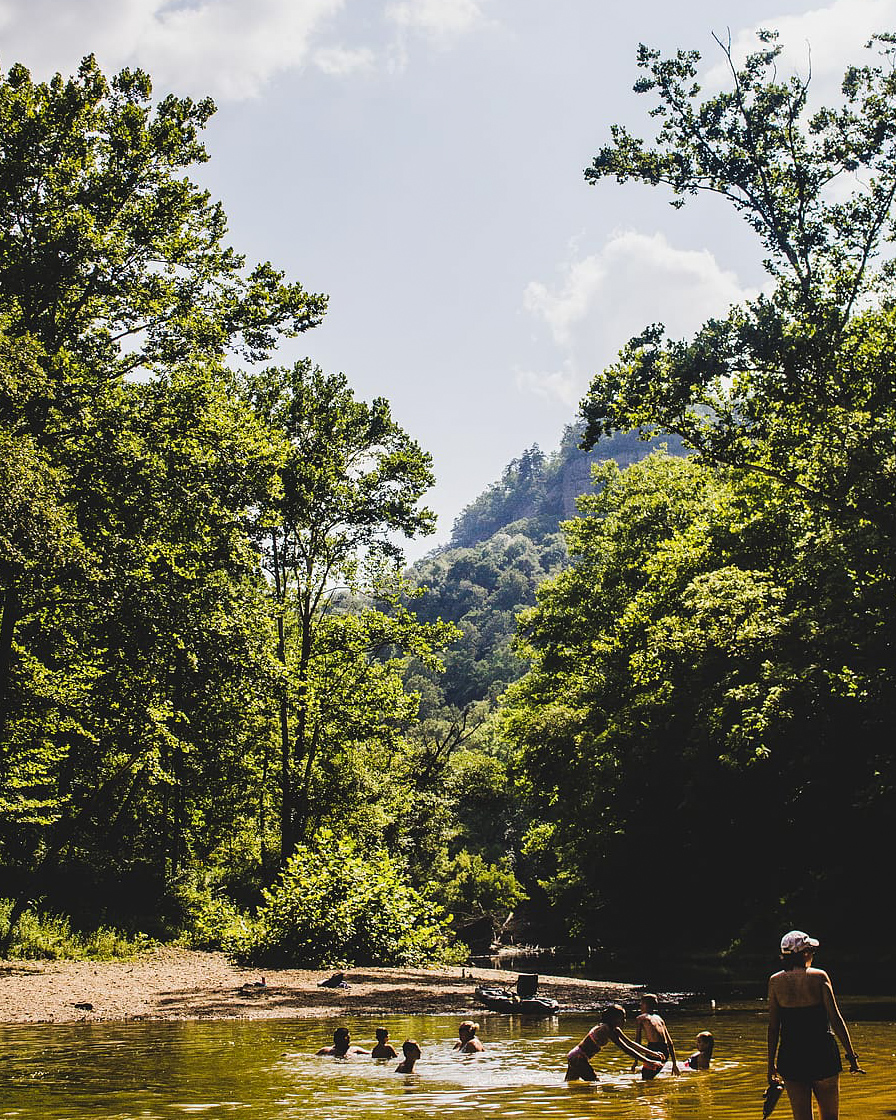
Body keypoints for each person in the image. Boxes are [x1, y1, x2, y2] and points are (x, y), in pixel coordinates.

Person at [767, 930, 864, 1120]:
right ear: (804, 953)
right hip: (823, 1054)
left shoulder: (775, 981)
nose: (812, 954)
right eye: (811, 950)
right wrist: (851, 1057)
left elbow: (773, 1027)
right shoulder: (819, 977)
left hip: (791, 1056)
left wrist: (771, 1066)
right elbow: (835, 1019)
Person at [565, 1003, 665, 1081]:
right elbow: (626, 1049)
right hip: (578, 1058)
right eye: (622, 1018)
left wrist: (653, 1054)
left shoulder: (614, 1029)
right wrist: (648, 1061)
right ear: (613, 1019)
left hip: (574, 1056)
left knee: (571, 1084)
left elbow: (631, 1044)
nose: (624, 1021)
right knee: (595, 1084)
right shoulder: (606, 1029)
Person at [631, 992, 680, 1078]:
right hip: (665, 1051)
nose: (640, 1007)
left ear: (646, 1005)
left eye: (641, 1004)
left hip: (654, 1049)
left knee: (646, 1078)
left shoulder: (641, 1018)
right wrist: (674, 1064)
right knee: (649, 1077)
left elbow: (638, 1041)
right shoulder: (659, 1019)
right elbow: (670, 1042)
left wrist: (635, 1061)